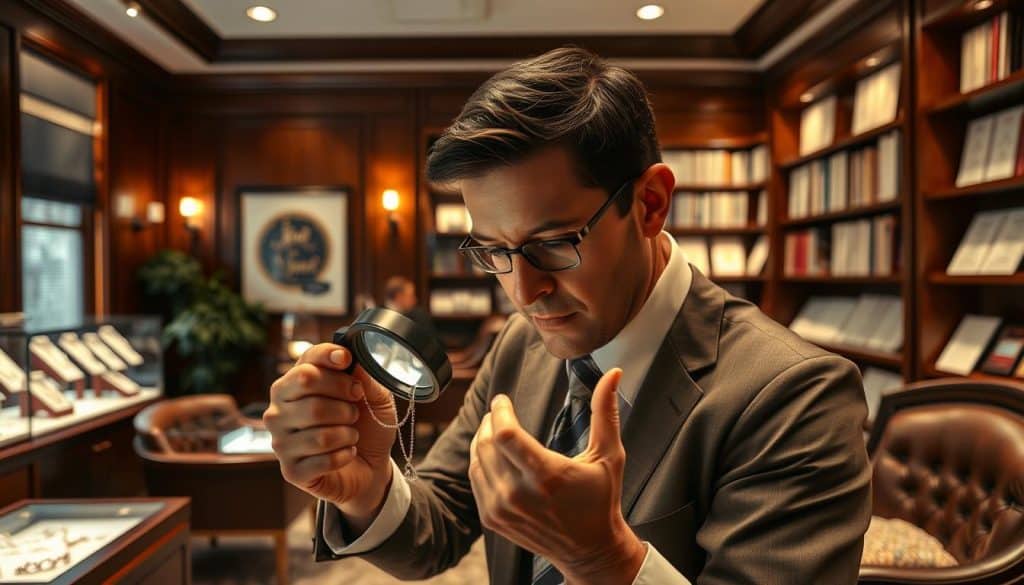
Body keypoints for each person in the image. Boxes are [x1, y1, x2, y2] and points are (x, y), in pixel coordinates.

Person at [264, 47, 871, 584]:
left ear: (650, 203)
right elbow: (441, 522)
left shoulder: (796, 396)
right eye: (494, 252)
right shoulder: (519, 344)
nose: (524, 292)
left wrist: (606, 562)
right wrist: (367, 485)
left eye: (553, 244)